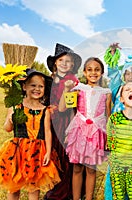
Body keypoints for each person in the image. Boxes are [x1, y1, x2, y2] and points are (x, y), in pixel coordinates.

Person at [0, 69, 60, 200]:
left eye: (41, 86)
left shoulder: (45, 110)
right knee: (14, 185)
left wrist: (48, 152)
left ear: (45, 89)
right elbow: (7, 128)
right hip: (17, 151)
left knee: (34, 186)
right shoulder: (16, 106)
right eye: (33, 85)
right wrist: (9, 118)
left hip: (37, 152)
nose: (37, 89)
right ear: (24, 86)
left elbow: (47, 132)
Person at [59, 57, 111, 200]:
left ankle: (88, 198)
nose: (93, 73)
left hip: (96, 133)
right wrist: (67, 89)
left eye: (97, 70)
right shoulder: (78, 89)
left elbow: (108, 115)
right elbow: (63, 108)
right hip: (79, 132)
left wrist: (109, 136)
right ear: (84, 72)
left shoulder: (106, 92)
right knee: (77, 168)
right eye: (89, 70)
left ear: (101, 72)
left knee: (91, 169)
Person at [44, 43, 82, 200]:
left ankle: (66, 192)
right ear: (55, 63)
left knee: (65, 154)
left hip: (65, 120)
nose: (64, 64)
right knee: (54, 154)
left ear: (72, 64)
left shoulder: (72, 80)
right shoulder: (50, 79)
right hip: (51, 120)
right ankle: (55, 187)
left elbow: (70, 107)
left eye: (68, 61)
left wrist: (71, 128)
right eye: (61, 60)